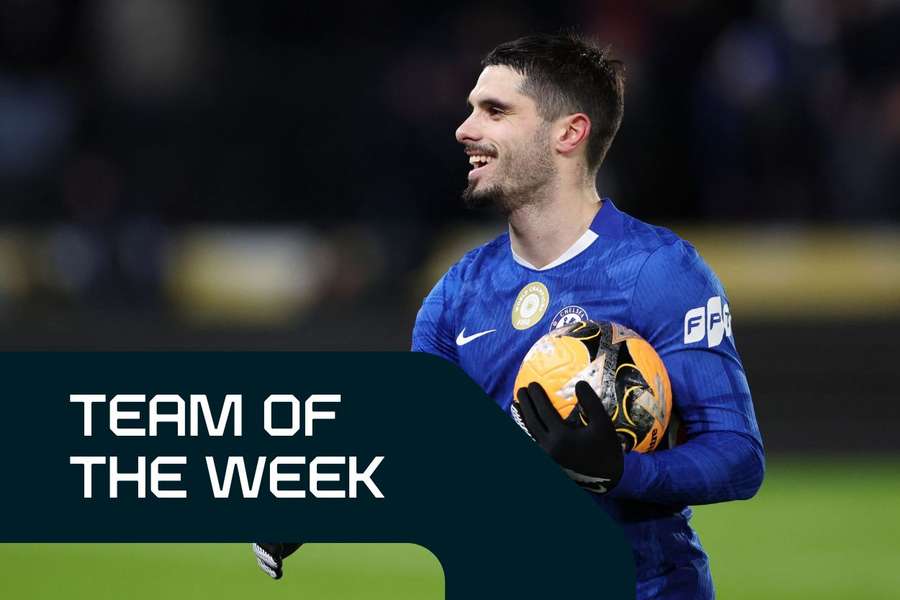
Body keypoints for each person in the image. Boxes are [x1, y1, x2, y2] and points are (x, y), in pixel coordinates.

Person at [411, 33, 764, 599]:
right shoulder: (457, 293)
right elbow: (421, 448)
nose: (465, 128)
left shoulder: (658, 271)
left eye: (494, 111)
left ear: (569, 133)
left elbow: (739, 457)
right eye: (472, 108)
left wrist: (622, 472)